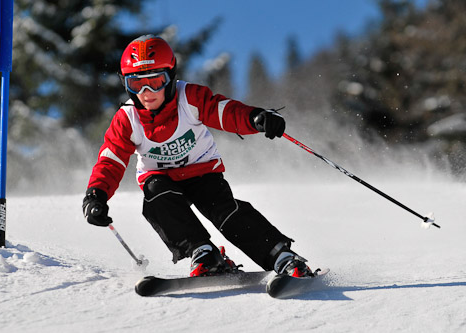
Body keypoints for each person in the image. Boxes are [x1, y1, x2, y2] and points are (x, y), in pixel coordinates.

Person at [82, 34, 313, 277]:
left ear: (170, 77)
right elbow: (112, 159)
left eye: (156, 82)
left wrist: (255, 118)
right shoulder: (127, 118)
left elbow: (223, 111)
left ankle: (281, 256)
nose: (147, 92)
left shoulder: (188, 98)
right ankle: (203, 252)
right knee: (156, 199)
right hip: (160, 178)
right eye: (137, 84)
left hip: (202, 172)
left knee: (224, 211)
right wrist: (96, 194)